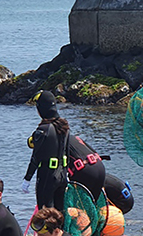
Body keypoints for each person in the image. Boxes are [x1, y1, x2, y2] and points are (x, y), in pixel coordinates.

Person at [21, 90, 106, 218]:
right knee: (61, 214)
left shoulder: (43, 130)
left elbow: (36, 158)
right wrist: (65, 173)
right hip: (61, 176)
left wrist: (27, 179)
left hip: (47, 177)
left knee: (46, 213)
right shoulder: (64, 126)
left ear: (41, 109)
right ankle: (61, 235)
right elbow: (66, 152)